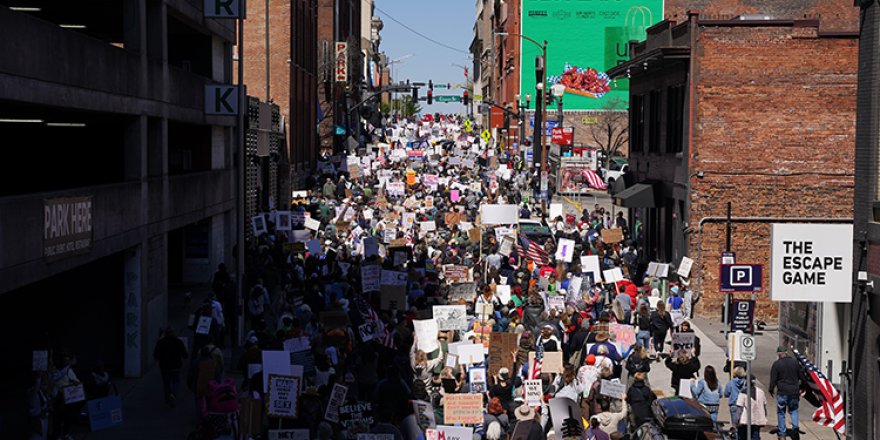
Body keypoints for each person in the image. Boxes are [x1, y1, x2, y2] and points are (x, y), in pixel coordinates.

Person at [769, 345, 801, 440]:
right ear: (786, 353)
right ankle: (795, 430)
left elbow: (773, 379)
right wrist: (803, 387)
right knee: (794, 410)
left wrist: (771, 390)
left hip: (782, 392)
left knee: (781, 412)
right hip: (794, 392)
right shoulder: (795, 363)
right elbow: (801, 376)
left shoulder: (777, 364)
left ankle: (782, 434)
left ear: (779, 354)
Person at [724, 366, 748, 435]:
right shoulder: (745, 383)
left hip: (734, 405)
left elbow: (726, 393)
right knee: (743, 425)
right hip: (743, 405)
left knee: (735, 425)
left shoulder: (730, 383)